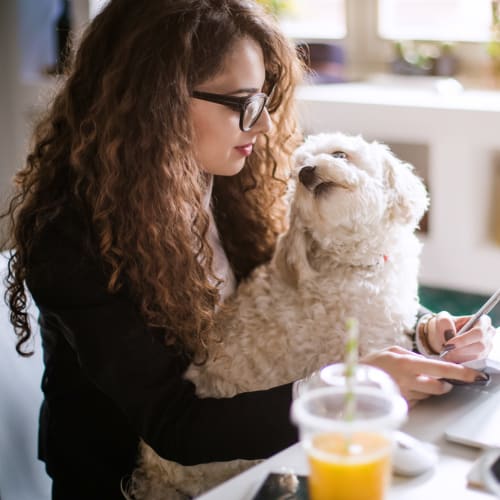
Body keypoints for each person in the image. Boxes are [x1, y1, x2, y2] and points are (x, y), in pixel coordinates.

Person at [2, 0, 495, 498]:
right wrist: (342, 387)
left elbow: (323, 281)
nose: (260, 127)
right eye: (241, 103)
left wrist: (423, 330)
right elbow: (177, 426)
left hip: (250, 457)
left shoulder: (234, 176)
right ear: (157, 102)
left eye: (262, 100)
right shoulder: (69, 241)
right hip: (124, 481)